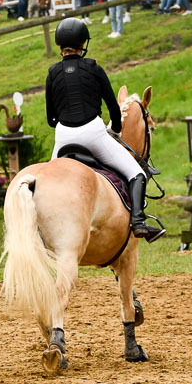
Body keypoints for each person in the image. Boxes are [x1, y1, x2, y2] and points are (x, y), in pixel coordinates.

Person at [45, 17, 165, 242]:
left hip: (62, 136)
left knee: (46, 180)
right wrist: (116, 131)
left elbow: (50, 118)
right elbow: (113, 107)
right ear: (83, 44)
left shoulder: (52, 73)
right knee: (136, 173)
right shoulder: (94, 68)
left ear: (59, 44)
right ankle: (138, 221)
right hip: (93, 134)